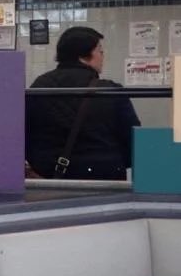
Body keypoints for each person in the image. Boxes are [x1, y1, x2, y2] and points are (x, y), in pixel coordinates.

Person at [25, 26, 140, 180]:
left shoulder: (40, 86)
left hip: (50, 179)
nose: (102, 56)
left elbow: (24, 134)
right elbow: (134, 142)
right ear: (84, 55)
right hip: (104, 180)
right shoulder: (111, 92)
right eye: (100, 51)